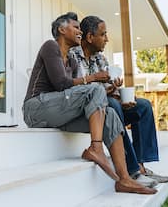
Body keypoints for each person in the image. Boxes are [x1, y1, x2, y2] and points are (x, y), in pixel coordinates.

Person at [23, 12, 156, 194]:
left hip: (59, 113)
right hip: (36, 109)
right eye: (76, 27)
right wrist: (93, 79)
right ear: (62, 29)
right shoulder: (50, 46)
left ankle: (124, 179)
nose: (80, 31)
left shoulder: (71, 59)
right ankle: (96, 147)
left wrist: (108, 90)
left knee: (110, 115)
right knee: (96, 89)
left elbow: (72, 92)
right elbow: (61, 84)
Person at [69, 15, 168, 188]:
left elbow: (110, 90)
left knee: (143, 106)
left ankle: (141, 166)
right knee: (114, 106)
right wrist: (109, 95)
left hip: (109, 105)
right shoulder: (72, 56)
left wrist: (119, 94)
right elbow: (78, 92)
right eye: (103, 34)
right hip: (90, 112)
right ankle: (132, 170)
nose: (107, 39)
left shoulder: (101, 59)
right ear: (89, 37)